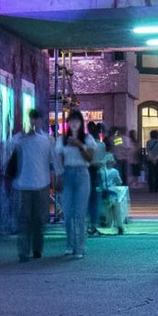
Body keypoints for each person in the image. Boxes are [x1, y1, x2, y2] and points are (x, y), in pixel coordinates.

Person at [3, 109, 59, 262]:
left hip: (42, 184)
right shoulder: (21, 139)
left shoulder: (47, 140)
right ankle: (24, 251)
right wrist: (22, 134)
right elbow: (7, 145)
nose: (34, 122)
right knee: (25, 218)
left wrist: (56, 179)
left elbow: (53, 160)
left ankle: (37, 249)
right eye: (32, 119)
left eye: (37, 119)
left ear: (41, 120)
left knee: (39, 218)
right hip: (24, 184)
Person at [56, 110, 93, 259]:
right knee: (68, 213)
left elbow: (90, 158)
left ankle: (80, 246)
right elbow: (58, 159)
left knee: (80, 213)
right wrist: (59, 176)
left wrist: (79, 145)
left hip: (82, 174)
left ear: (81, 123)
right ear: (68, 123)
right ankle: (70, 245)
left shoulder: (88, 138)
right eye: (71, 121)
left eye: (77, 121)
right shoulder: (62, 140)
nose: (74, 124)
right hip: (67, 174)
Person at [141, 130, 158, 195]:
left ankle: (151, 188)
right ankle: (156, 188)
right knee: (157, 174)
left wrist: (152, 159)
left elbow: (148, 151)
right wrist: (156, 158)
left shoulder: (148, 142)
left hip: (150, 160)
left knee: (150, 174)